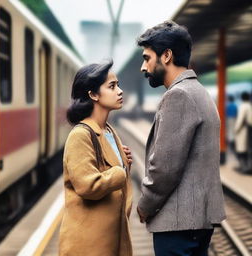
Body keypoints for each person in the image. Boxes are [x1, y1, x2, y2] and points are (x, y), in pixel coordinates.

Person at [136, 21, 226, 256]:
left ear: (166, 56)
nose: (143, 67)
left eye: (147, 58)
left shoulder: (178, 96)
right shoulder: (199, 92)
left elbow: (164, 168)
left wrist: (145, 205)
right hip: (195, 222)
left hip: (178, 224)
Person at [59, 60, 133, 256]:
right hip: (88, 245)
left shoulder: (108, 131)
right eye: (112, 86)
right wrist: (120, 171)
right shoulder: (80, 135)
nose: (120, 91)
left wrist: (124, 163)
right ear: (92, 94)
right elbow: (87, 185)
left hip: (111, 239)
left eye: (118, 85)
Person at [234, 91, 252, 173]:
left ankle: (244, 168)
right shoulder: (249, 106)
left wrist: (236, 129)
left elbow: (240, 120)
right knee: (248, 149)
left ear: (242, 98)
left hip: (243, 130)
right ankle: (247, 167)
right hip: (249, 129)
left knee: (241, 150)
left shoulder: (243, 106)